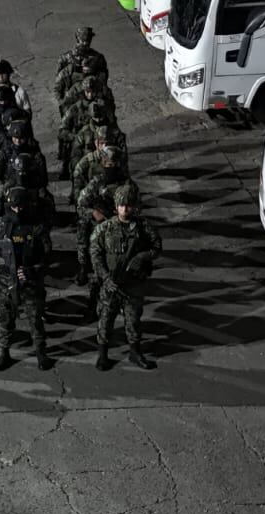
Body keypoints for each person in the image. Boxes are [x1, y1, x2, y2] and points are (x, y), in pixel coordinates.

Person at [0, 186, 52, 371]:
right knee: (5, 319)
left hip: (30, 283)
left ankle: (40, 352)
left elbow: (47, 256)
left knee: (35, 319)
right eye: (14, 207)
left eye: (21, 206)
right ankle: (4, 352)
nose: (18, 210)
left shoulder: (37, 227)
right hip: (6, 281)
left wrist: (32, 270)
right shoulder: (1, 224)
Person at [91, 185, 163, 371]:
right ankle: (103, 355)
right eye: (122, 205)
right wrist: (105, 278)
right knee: (105, 320)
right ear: (116, 206)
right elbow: (95, 254)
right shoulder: (105, 228)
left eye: (129, 205)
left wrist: (142, 257)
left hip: (133, 284)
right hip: (112, 283)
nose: (125, 209)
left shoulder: (143, 227)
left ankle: (135, 352)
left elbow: (157, 246)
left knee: (133, 320)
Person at [74, 145, 133, 294]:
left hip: (120, 227)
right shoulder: (97, 183)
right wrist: (93, 213)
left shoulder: (128, 186)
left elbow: (137, 209)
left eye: (113, 164)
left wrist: (122, 216)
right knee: (84, 231)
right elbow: (81, 205)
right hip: (99, 224)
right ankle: (84, 267)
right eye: (107, 164)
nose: (110, 167)